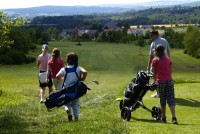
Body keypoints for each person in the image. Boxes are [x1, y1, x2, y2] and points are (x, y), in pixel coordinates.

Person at [56, 52, 87, 121]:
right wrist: (82, 79)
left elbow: (57, 76)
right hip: (76, 90)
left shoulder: (64, 69)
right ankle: (76, 118)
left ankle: (68, 111)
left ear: (67, 60)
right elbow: (85, 72)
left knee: (67, 103)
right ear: (76, 60)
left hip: (66, 90)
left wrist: (62, 79)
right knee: (76, 104)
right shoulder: (78, 68)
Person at [151, 45, 178, 124]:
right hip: (169, 81)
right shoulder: (168, 60)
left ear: (156, 51)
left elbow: (154, 73)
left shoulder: (155, 60)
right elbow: (171, 71)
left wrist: (154, 80)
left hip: (160, 82)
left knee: (162, 99)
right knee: (171, 99)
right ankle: (174, 117)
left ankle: (164, 117)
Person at [147, 30, 170, 98]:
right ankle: (166, 92)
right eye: (150, 36)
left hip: (156, 63)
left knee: (156, 78)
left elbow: (151, 56)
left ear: (156, 35)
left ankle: (158, 93)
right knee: (166, 76)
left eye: (151, 35)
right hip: (165, 62)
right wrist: (168, 61)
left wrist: (148, 67)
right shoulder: (164, 40)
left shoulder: (153, 43)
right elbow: (168, 51)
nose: (150, 37)